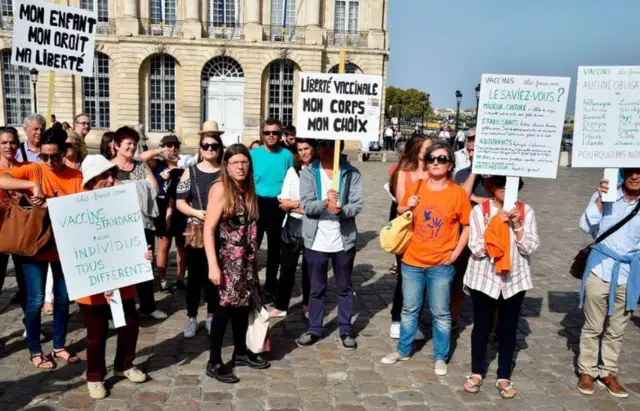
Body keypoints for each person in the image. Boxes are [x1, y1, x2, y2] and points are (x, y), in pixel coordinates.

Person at [381, 142, 471, 377]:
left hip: (441, 263)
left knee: (440, 313)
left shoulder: (457, 192)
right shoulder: (418, 186)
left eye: (441, 159)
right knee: (409, 310)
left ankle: (440, 356)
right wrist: (406, 205)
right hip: (412, 260)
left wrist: (456, 252)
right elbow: (401, 211)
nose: (435, 162)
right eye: (432, 158)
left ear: (450, 164)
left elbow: (467, 225)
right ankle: (403, 349)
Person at [0, 127, 84, 369]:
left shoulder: (75, 176)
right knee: (35, 300)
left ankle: (59, 346)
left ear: (65, 152)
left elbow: (79, 208)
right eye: (44, 156)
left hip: (63, 246)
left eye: (54, 156)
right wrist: (31, 185)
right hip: (33, 245)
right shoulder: (34, 169)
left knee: (63, 299)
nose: (49, 161)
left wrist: (52, 203)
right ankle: (35, 350)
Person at [76, 155, 150, 399]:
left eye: (112, 175)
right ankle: (95, 376)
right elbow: (76, 248)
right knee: (97, 332)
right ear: (91, 181)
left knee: (130, 323)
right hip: (93, 283)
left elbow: (131, 235)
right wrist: (101, 278)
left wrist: (143, 254)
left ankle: (124, 364)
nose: (111, 180)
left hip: (122, 278)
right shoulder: (76, 208)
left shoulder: (122, 203)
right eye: (104, 176)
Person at [462, 176, 539, 399]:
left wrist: (516, 226)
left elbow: (530, 246)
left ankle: (504, 375)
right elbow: (475, 247)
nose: (505, 190)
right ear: (492, 187)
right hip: (484, 279)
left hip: (514, 279)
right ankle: (477, 371)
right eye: (500, 186)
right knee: (482, 326)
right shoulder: (481, 211)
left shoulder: (526, 212)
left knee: (508, 328)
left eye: (511, 186)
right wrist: (495, 226)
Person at [204, 144, 268, 383]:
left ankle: (241, 351)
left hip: (247, 260)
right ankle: (214, 361)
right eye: (235, 163)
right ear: (226, 166)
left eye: (244, 162)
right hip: (227, 260)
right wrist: (213, 265)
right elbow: (209, 229)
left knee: (243, 306)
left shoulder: (248, 189)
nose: (240, 167)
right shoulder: (221, 189)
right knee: (224, 308)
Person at [576, 168, 640, 398]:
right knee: (593, 325)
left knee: (617, 328)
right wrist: (601, 200)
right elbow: (585, 226)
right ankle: (587, 371)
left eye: (639, 172)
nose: (635, 176)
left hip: (629, 273)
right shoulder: (606, 193)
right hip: (600, 268)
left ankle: (608, 372)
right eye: (630, 172)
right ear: (623, 173)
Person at [295, 140, 364, 350]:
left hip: (342, 240)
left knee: (344, 288)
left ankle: (345, 328)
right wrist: (325, 203)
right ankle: (315, 328)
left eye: (330, 145)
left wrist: (342, 210)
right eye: (322, 144)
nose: (326, 148)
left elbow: (357, 204)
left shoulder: (351, 173)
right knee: (316, 288)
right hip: (316, 240)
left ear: (339, 147)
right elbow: (306, 206)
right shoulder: (309, 173)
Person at [111, 126, 166, 320]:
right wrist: (138, 188)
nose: (132, 147)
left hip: (143, 223)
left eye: (135, 144)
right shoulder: (109, 167)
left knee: (145, 264)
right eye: (128, 143)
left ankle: (148, 306)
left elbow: (155, 187)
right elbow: (109, 193)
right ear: (116, 145)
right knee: (118, 269)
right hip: (117, 227)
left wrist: (126, 189)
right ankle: (117, 312)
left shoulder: (141, 166)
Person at [176, 126, 224, 338]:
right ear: (200, 148)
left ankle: (212, 315)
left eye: (214, 145)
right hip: (196, 229)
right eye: (206, 145)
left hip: (221, 230)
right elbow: (179, 202)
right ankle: (192, 318)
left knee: (215, 277)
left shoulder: (225, 170)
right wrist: (197, 211)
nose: (210, 149)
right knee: (195, 276)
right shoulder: (191, 171)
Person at [387, 134, 432, 340]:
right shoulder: (403, 173)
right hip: (408, 229)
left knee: (424, 278)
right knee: (406, 276)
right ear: (416, 150)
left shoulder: (434, 171)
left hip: (429, 230)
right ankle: (397, 319)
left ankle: (412, 320)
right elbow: (400, 204)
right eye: (426, 149)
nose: (431, 153)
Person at [269, 138, 316, 318]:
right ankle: (281, 305)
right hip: (293, 225)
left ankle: (307, 304)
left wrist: (300, 205)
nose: (303, 152)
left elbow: (320, 203)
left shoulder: (319, 171)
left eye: (306, 148)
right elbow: (283, 201)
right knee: (287, 267)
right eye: (300, 149)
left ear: (313, 149)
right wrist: (303, 205)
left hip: (313, 225)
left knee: (309, 269)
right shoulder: (292, 171)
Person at [250, 119, 294, 299]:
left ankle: (270, 285)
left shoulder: (287, 155)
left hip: (278, 204)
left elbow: (291, 181)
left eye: (274, 133)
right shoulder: (253, 154)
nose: (271, 136)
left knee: (276, 250)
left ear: (280, 134)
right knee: (252, 248)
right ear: (262, 134)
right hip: (257, 203)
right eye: (267, 132)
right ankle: (250, 285)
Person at [140, 135, 187, 292]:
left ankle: (180, 278)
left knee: (182, 245)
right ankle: (163, 279)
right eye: (169, 145)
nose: (172, 149)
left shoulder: (184, 165)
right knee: (164, 245)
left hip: (181, 206)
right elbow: (141, 158)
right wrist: (161, 151)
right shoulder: (158, 164)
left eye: (175, 146)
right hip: (162, 205)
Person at [0, 127, 26, 309]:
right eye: (3, 142)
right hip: (0, 232)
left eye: (12, 142)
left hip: (21, 233)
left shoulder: (24, 168)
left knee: (26, 285)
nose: (9, 146)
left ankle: (30, 327)